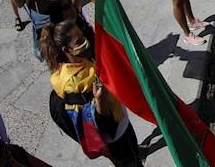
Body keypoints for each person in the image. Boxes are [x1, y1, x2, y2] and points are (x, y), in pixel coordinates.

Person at [39, 19, 144, 165]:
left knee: (133, 152)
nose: (85, 42)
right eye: (79, 41)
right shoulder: (76, 83)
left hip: (120, 120)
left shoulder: (72, 66)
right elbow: (98, 117)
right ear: (66, 50)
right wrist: (100, 98)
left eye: (82, 36)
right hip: (115, 133)